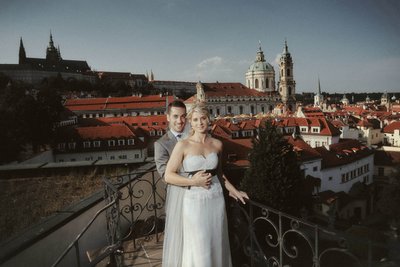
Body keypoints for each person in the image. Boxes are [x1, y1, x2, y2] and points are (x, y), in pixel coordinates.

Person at [162, 102, 248, 267]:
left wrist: (235, 191)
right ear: (190, 123)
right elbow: (168, 175)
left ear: (209, 120)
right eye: (195, 119)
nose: (200, 122)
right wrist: (194, 181)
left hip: (216, 199)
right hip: (194, 202)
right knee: (199, 245)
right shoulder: (183, 145)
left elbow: (220, 174)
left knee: (217, 242)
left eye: (203, 118)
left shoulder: (217, 144)